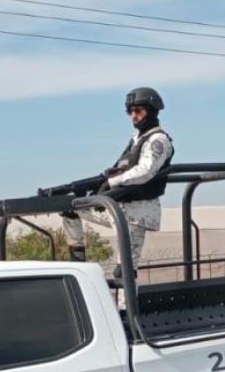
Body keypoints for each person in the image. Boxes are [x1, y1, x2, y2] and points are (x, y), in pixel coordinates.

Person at [62, 86, 174, 275]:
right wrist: (101, 184)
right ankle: (78, 264)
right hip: (118, 207)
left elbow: (145, 171)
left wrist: (112, 183)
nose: (133, 116)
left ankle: (125, 306)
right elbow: (120, 169)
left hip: (137, 213)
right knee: (70, 209)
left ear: (152, 111)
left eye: (138, 110)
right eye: (130, 111)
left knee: (125, 271)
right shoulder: (136, 140)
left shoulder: (158, 141)